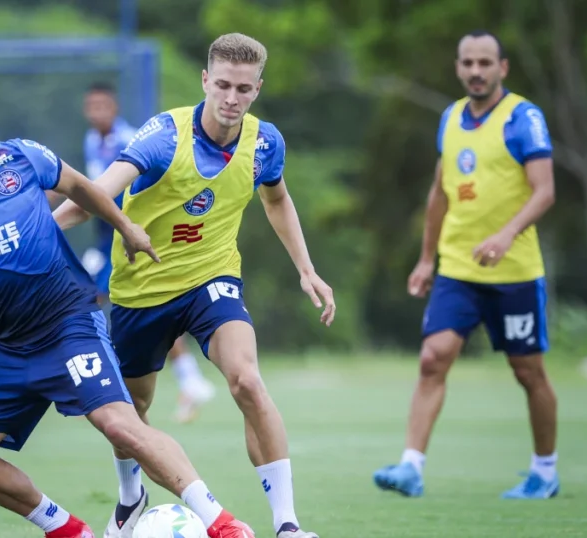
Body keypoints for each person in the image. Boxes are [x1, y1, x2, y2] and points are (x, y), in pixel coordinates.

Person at [0, 73, 255, 538]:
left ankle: (221, 523)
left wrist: (125, 226)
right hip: (13, 345)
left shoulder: (21, 156)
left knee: (120, 426)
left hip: (69, 322)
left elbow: (83, 187)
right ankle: (67, 530)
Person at [54, 33, 333, 538]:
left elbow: (277, 200)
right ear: (205, 80)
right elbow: (94, 197)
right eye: (222, 85)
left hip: (212, 278)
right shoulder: (163, 137)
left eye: (243, 89)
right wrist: (42, 234)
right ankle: (129, 495)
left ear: (257, 89)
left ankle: (288, 525)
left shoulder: (265, 142)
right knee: (132, 411)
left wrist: (306, 269)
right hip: (140, 291)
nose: (231, 98)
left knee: (247, 380)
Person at [371, 30, 559, 500]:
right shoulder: (450, 118)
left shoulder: (522, 118)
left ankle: (545, 471)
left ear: (502, 68)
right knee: (433, 358)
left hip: (514, 272)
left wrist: (505, 234)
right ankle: (411, 466)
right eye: (468, 63)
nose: (476, 71)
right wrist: (426, 258)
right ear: (458, 67)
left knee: (528, 372)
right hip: (457, 269)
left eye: (485, 63)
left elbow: (545, 191)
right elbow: (440, 191)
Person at [81, 81, 216, 424]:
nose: (97, 113)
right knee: (101, 302)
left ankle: (100, 383)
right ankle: (188, 379)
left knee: (108, 303)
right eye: (92, 107)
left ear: (115, 107)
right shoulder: (91, 142)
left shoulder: (132, 139)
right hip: (104, 236)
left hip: (129, 235)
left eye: (103, 106)